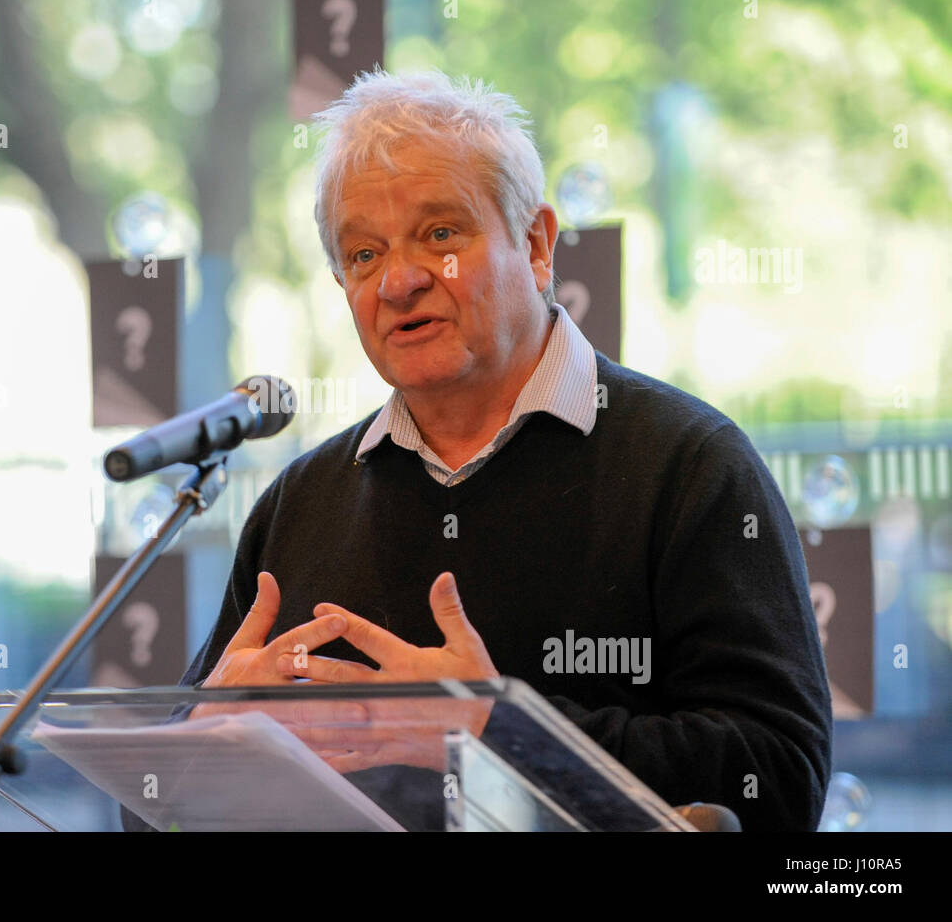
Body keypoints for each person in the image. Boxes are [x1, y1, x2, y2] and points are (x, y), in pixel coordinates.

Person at [175, 68, 832, 832]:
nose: (399, 280)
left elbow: (779, 781)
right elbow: (153, 810)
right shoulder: (300, 499)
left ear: (536, 242)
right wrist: (203, 747)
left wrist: (494, 729)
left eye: (441, 234)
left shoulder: (690, 465)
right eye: (362, 254)